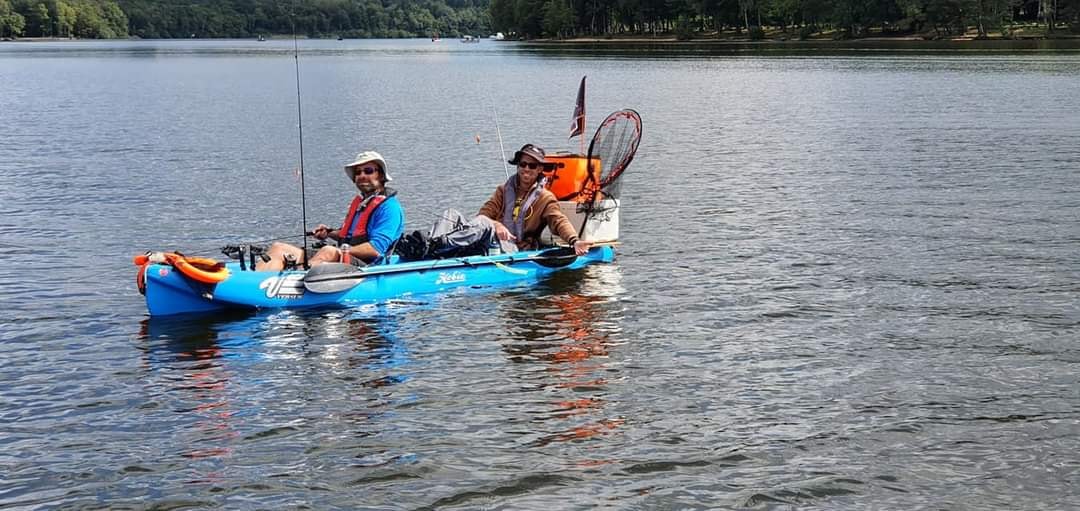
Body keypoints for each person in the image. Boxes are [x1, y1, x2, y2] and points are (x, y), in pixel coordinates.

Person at [256, 151, 405, 271]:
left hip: (368, 267)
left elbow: (375, 249)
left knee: (329, 251)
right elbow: (350, 236)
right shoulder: (362, 203)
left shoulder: (389, 208)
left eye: (368, 171)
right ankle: (259, 284)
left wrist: (342, 251)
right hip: (343, 257)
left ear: (380, 175)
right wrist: (328, 233)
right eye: (358, 173)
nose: (362, 176)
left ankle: (292, 282)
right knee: (278, 248)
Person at [478, 144, 591, 256]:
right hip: (493, 242)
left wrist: (575, 241)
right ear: (518, 166)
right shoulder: (502, 190)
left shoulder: (545, 198)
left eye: (532, 166)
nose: (526, 169)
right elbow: (482, 216)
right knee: (461, 218)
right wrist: (497, 225)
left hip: (517, 248)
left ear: (540, 169)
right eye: (523, 164)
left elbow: (558, 221)